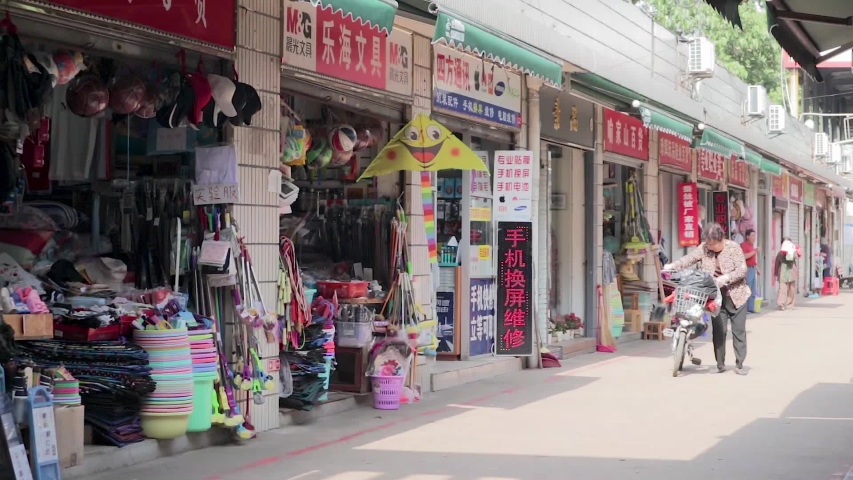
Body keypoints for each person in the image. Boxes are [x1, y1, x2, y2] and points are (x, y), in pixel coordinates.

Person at [664, 223, 750, 376]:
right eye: (708, 243)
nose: (709, 246)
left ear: (721, 239)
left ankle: (740, 364)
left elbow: (742, 270)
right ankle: (720, 364)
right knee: (719, 330)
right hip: (715, 297)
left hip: (737, 295)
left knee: (738, 330)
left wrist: (727, 278)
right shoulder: (704, 248)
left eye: (712, 244)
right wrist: (673, 265)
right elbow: (689, 258)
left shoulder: (733, 248)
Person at [740, 229, 761, 313]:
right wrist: (755, 251)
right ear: (747, 236)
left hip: (752, 268)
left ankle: (751, 308)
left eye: (754, 236)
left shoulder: (752, 246)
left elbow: (753, 260)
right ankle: (744, 309)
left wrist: (757, 268)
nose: (754, 238)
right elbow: (744, 256)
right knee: (746, 289)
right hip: (746, 269)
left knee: (752, 290)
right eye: (752, 235)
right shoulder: (743, 245)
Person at [775, 238, 798, 310]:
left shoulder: (792, 252)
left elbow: (795, 258)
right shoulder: (780, 253)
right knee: (783, 288)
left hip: (789, 272)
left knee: (790, 288)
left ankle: (788, 304)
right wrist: (776, 273)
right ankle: (782, 303)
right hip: (784, 272)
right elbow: (777, 264)